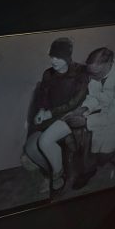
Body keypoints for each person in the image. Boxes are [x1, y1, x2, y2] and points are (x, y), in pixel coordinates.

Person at [65, 47, 115, 189]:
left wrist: (87, 121)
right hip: (105, 110)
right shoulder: (95, 72)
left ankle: (89, 169)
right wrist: (84, 108)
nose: (93, 77)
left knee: (96, 140)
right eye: (91, 73)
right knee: (82, 133)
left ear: (109, 63)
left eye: (96, 73)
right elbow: (93, 97)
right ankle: (85, 162)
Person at [22, 37, 88, 194]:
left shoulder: (80, 72)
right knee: (30, 148)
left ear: (67, 57)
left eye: (58, 57)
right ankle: (50, 173)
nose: (53, 61)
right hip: (50, 116)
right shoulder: (48, 74)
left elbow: (74, 102)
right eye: (52, 57)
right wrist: (41, 110)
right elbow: (44, 96)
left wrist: (49, 112)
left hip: (70, 116)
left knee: (45, 142)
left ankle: (58, 176)